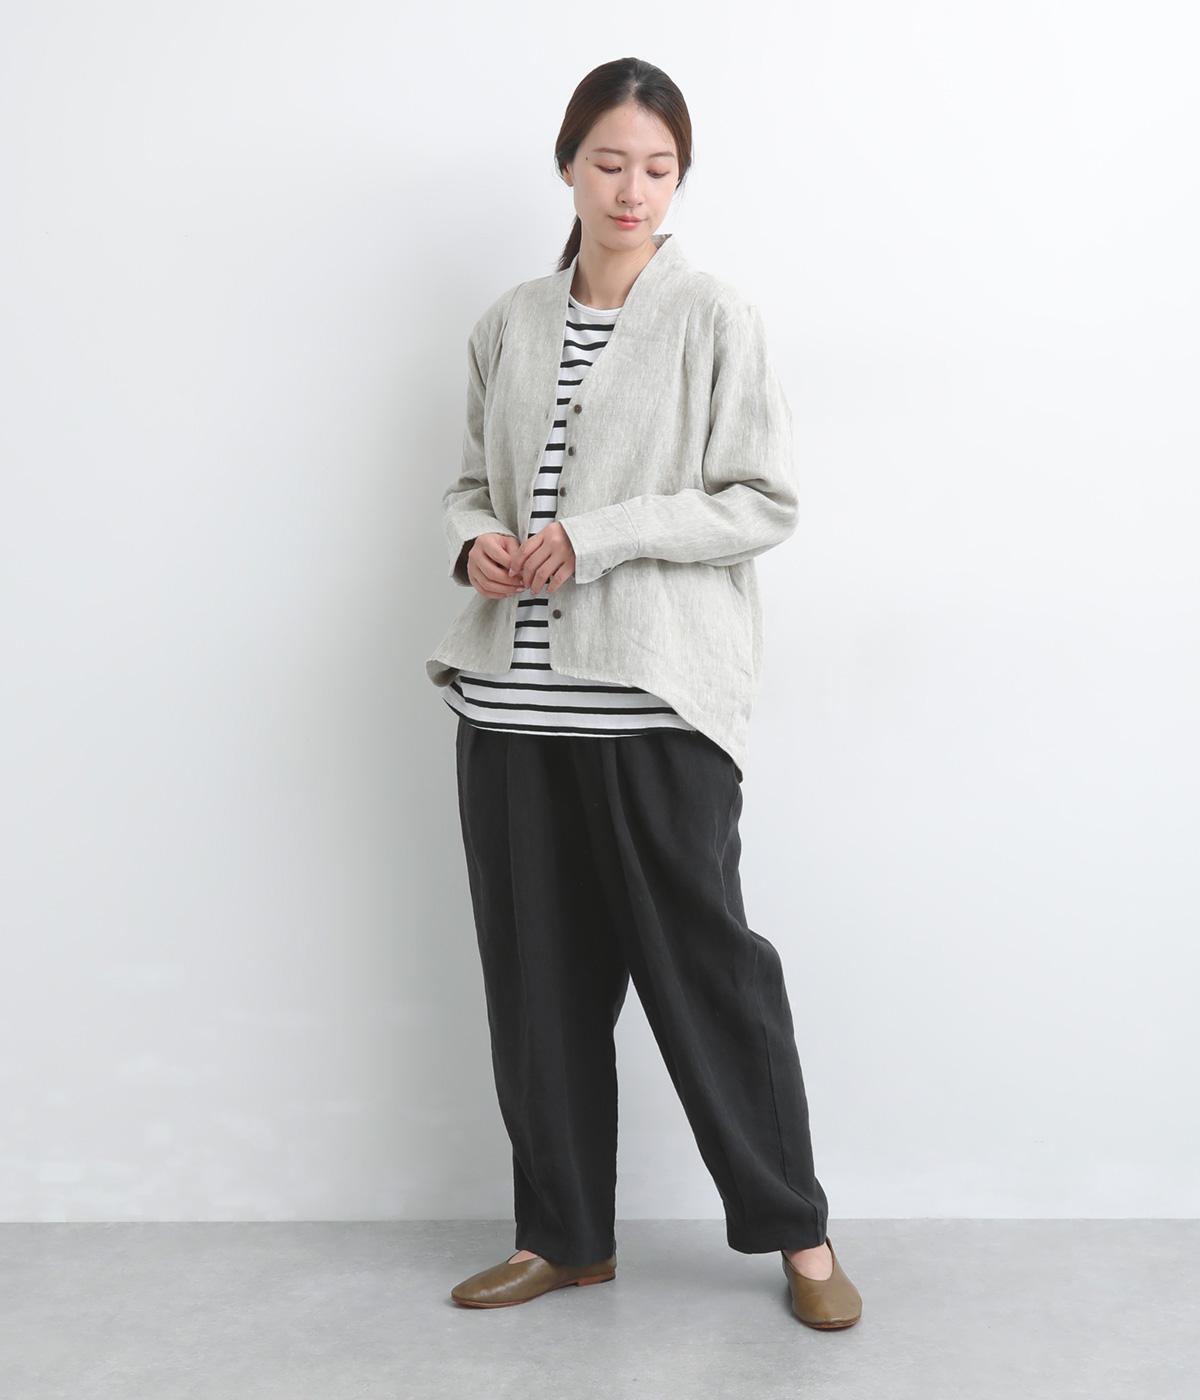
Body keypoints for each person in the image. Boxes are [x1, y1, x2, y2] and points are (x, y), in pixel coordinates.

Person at [426, 57, 863, 1330]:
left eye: (658, 168)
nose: (632, 189)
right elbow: (470, 481)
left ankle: (801, 1235)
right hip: (512, 711)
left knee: (711, 978)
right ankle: (562, 1237)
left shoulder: (714, 317)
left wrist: (596, 537)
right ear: (568, 164)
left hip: (656, 708)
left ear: (680, 178)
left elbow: (761, 499)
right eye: (610, 162)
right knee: (538, 989)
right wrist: (475, 541)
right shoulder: (510, 322)